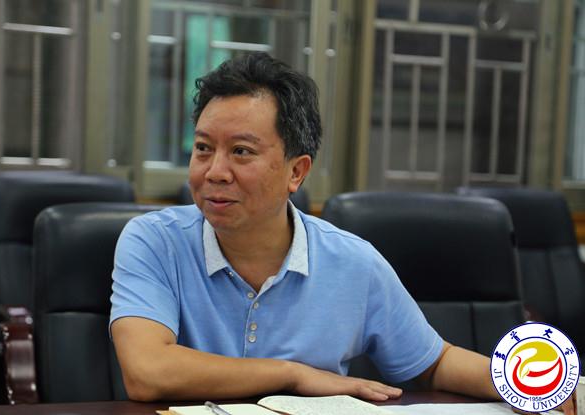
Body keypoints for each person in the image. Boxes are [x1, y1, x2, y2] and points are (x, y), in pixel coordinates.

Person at [109, 52, 575, 414]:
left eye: (241, 152)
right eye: (203, 148)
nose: (214, 171)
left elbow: (434, 362)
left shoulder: (353, 262)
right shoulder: (154, 241)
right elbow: (148, 371)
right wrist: (292, 375)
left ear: (296, 171)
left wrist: (535, 384)